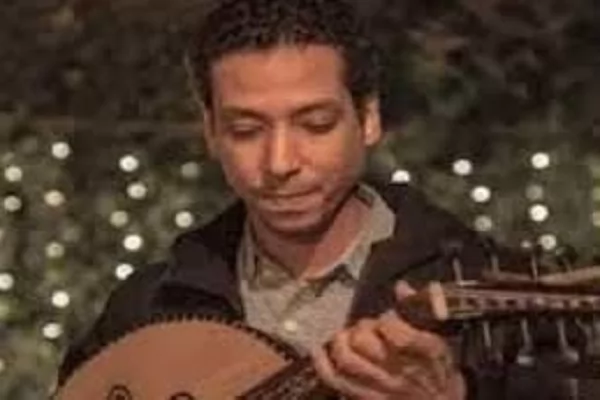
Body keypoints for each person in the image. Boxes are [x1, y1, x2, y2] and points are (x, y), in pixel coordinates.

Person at [58, 0, 593, 399]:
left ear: (368, 119)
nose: (279, 162)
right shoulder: (150, 306)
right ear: (211, 132)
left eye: (315, 124)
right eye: (245, 130)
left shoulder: (490, 292)